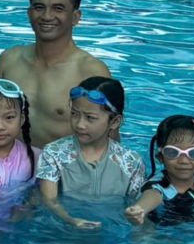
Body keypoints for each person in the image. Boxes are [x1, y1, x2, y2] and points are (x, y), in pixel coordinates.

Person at [0, 0, 110, 144]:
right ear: (29, 13)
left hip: (64, 161)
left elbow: (108, 140)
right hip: (10, 160)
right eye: (39, 7)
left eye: (58, 9)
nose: (47, 16)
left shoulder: (91, 71)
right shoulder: (9, 61)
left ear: (76, 17)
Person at [36, 77, 147, 229]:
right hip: (64, 228)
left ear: (114, 122)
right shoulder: (54, 153)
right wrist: (70, 221)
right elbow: (49, 201)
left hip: (111, 231)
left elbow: (136, 208)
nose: (80, 124)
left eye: (90, 118)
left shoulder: (131, 162)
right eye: (75, 114)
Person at [126, 115, 194, 225]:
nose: (184, 161)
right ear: (160, 157)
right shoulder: (157, 188)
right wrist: (139, 209)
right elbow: (152, 195)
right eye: (173, 152)